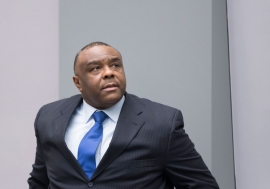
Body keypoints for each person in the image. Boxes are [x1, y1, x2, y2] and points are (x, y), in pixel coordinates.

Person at [28, 42, 219, 189]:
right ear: (78, 83)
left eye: (115, 65)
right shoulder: (49, 117)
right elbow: (39, 182)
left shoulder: (162, 122)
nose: (109, 73)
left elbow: (202, 185)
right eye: (96, 68)